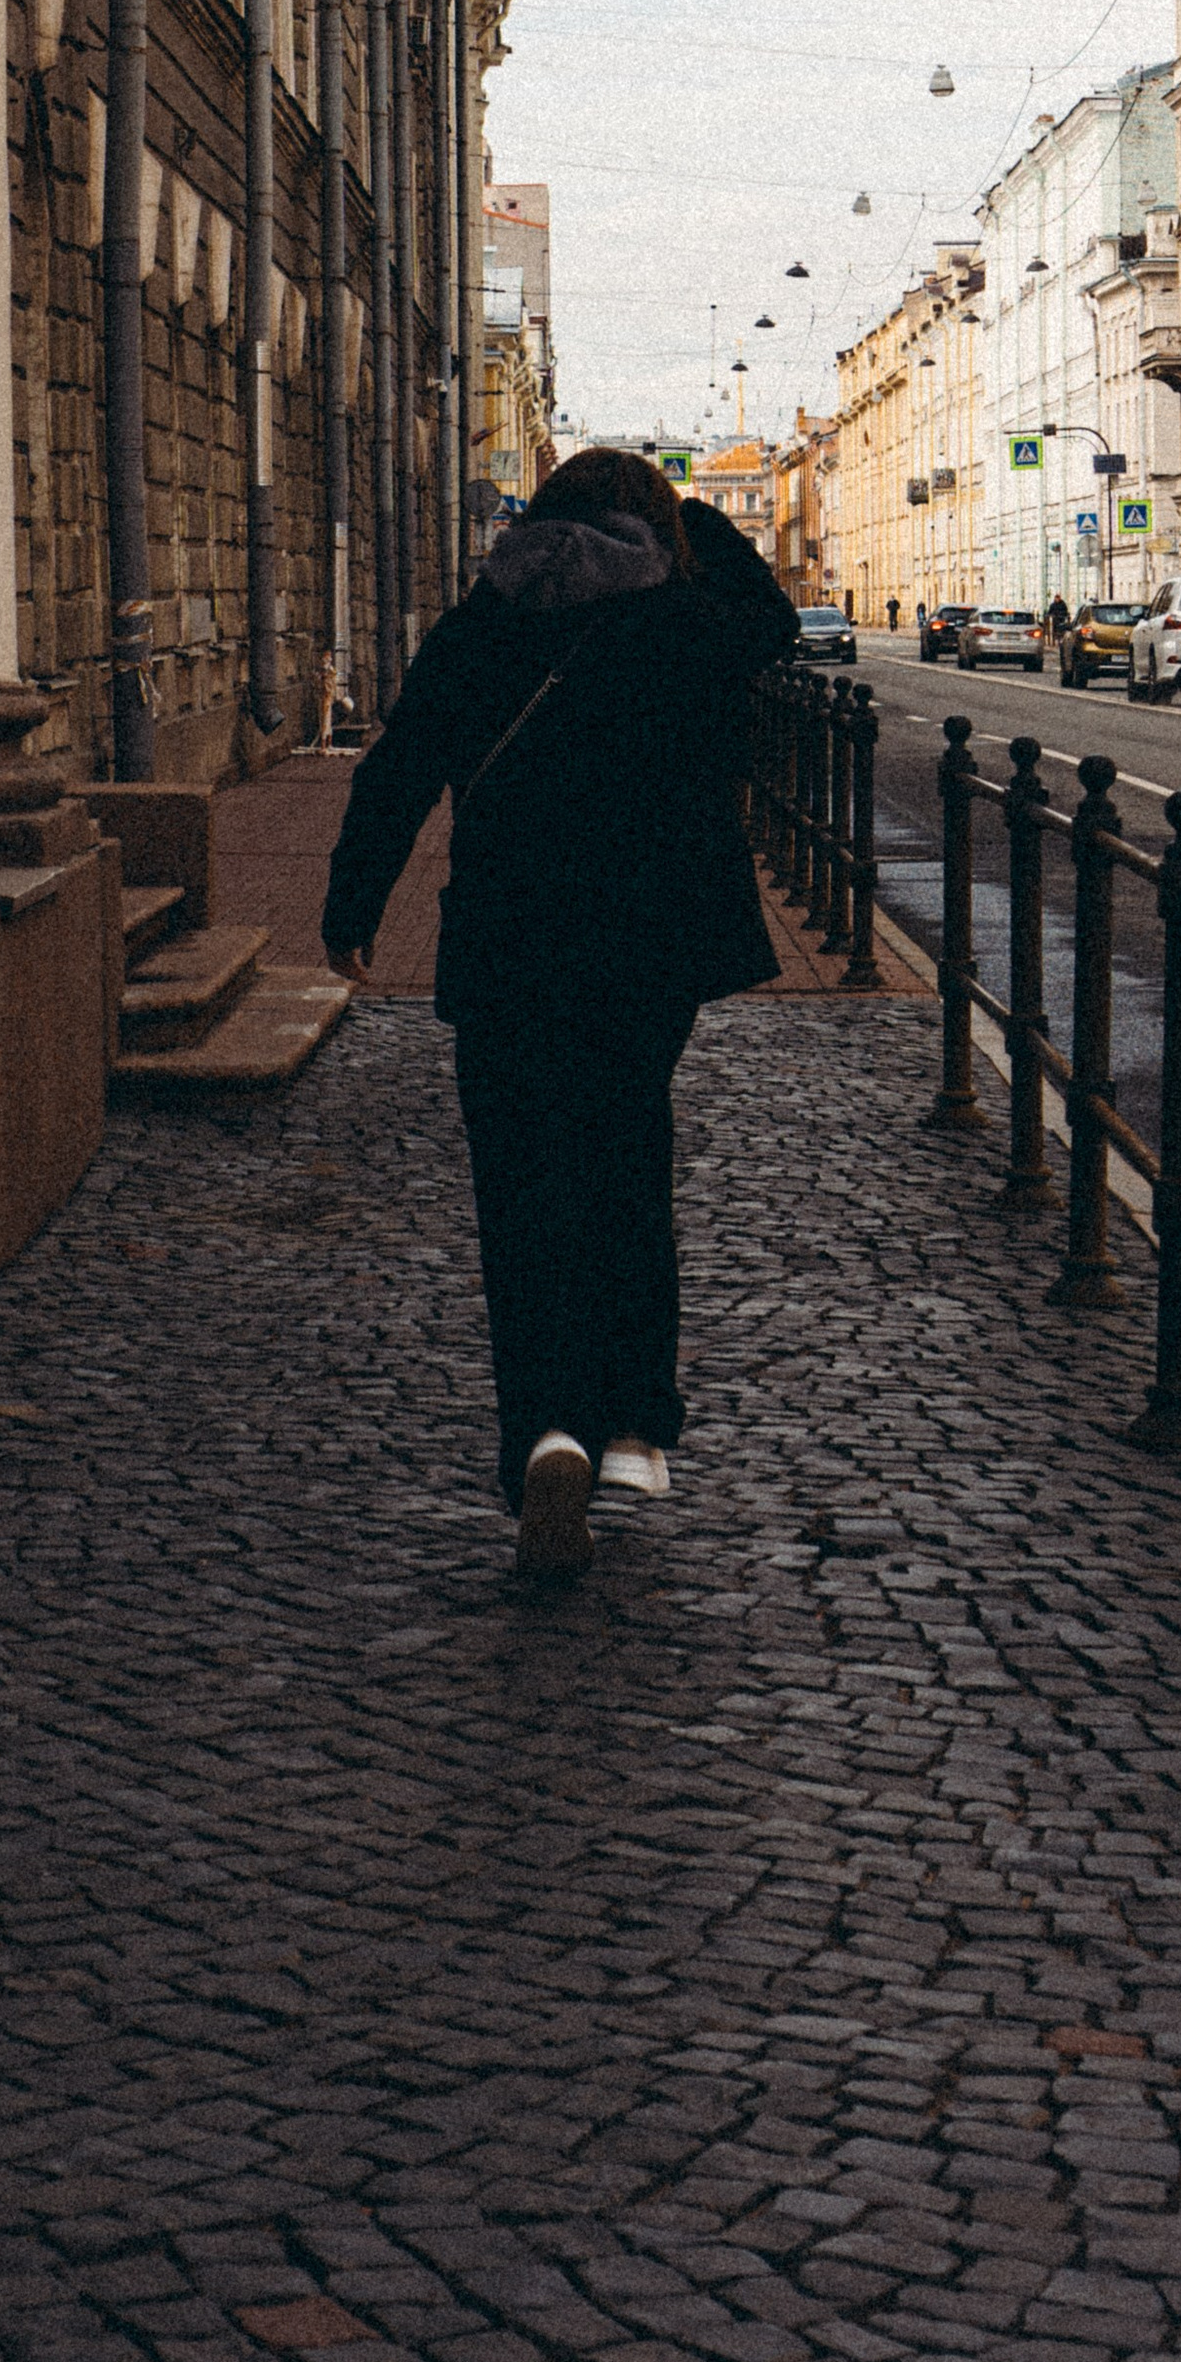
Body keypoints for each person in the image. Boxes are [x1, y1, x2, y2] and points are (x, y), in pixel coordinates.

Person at [322, 446, 797, 1580]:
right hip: (647, 950)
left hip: (507, 945)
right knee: (626, 1158)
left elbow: (400, 764)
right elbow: (770, 621)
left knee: (521, 1187)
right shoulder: (684, 619)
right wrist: (693, 517)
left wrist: (353, 899)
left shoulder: (484, 617)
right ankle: (632, 1432)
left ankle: (541, 1430)